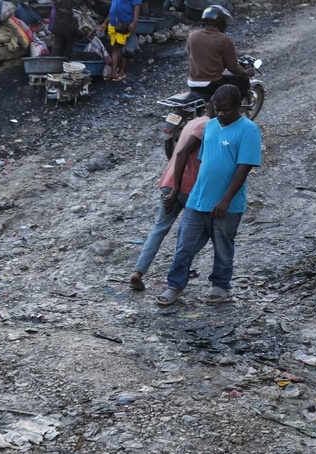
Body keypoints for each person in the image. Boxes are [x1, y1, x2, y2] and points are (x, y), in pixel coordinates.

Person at [157, 85, 261, 306]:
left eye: (226, 110)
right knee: (184, 245)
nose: (221, 114)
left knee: (223, 247)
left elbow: (243, 169)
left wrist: (225, 199)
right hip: (198, 200)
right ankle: (174, 286)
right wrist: (178, 189)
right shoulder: (210, 126)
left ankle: (220, 285)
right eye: (217, 109)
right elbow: (205, 162)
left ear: (238, 106)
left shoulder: (248, 130)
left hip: (228, 205)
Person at [129, 103, 215, 290]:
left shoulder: (193, 122)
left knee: (160, 227)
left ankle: (139, 271)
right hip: (187, 186)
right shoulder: (207, 126)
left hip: (169, 181)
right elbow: (188, 154)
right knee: (194, 232)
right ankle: (178, 272)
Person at [186, 5, 253, 97]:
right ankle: (233, 110)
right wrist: (245, 73)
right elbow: (233, 68)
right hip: (213, 82)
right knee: (243, 81)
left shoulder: (192, 36)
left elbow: (191, 55)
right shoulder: (224, 39)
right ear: (221, 22)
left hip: (192, 82)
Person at [102, 0, 141, 81]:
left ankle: (122, 72)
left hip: (125, 24)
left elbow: (137, 6)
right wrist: (105, 22)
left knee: (125, 49)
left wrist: (134, 21)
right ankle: (114, 72)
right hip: (113, 24)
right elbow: (112, 10)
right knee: (115, 48)